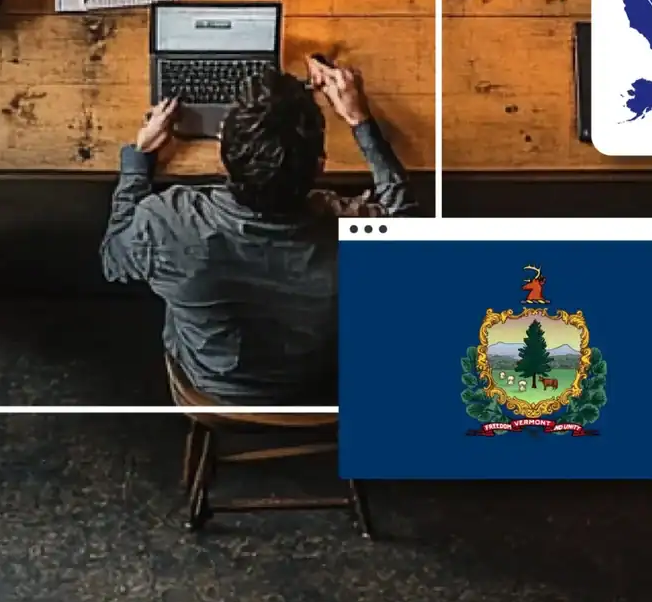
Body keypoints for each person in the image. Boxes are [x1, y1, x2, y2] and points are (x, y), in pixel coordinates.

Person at [101, 57, 416, 406]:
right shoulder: (355, 236)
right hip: (323, 386)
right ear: (321, 164)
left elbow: (113, 260)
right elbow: (406, 223)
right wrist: (360, 121)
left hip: (215, 389)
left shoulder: (164, 222)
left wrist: (139, 159)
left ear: (223, 156)